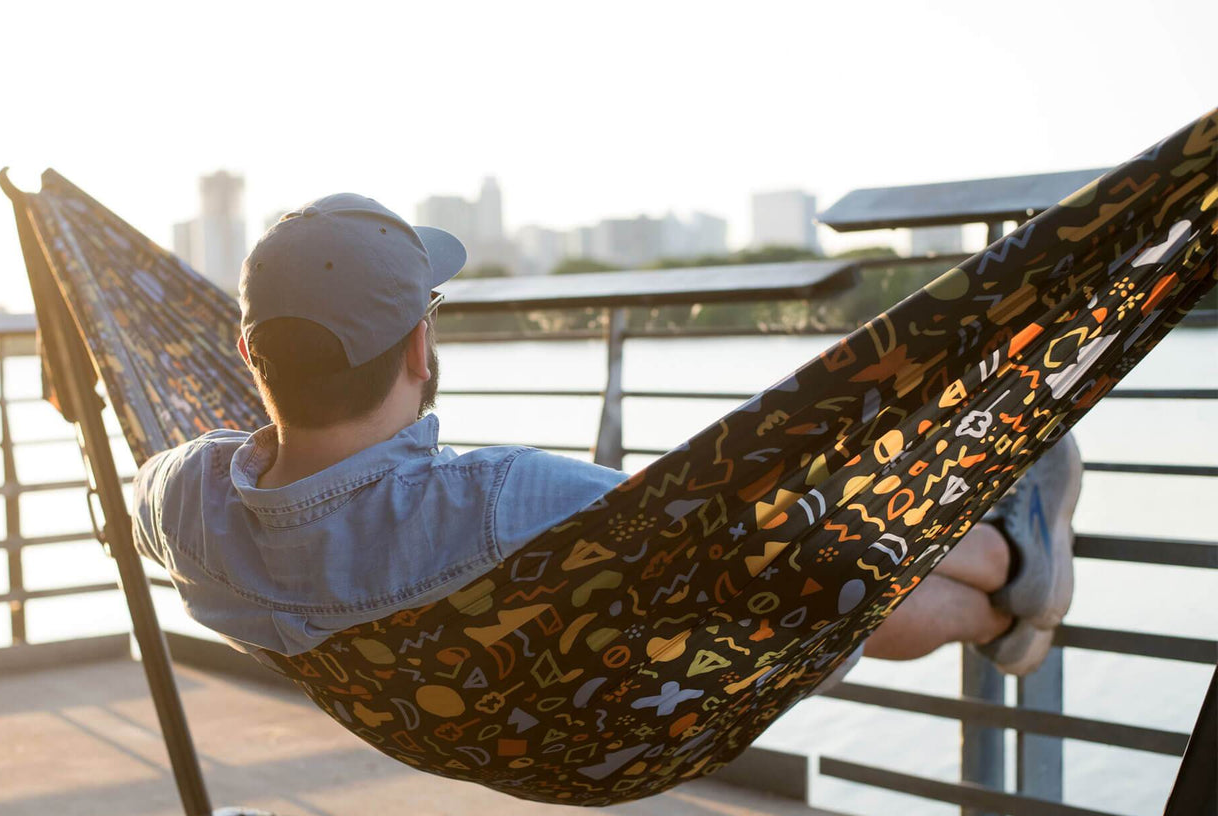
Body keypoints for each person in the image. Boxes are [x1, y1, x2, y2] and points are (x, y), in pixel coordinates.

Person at [132, 193, 1083, 695]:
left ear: (250, 352)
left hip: (484, 722)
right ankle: (1010, 561)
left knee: (787, 568)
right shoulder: (506, 501)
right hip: (613, 707)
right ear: (422, 345)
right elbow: (773, 543)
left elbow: (132, 495)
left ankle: (1012, 594)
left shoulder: (180, 498)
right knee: (806, 566)